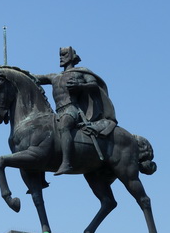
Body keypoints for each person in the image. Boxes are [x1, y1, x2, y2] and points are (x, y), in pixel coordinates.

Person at [35, 47, 117, 175]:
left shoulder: (81, 72)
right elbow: (35, 78)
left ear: (72, 56)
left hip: (72, 109)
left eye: (64, 55)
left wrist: (80, 86)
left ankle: (66, 163)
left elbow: (94, 85)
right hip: (58, 112)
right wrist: (12, 72)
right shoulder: (54, 77)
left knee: (64, 126)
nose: (61, 58)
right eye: (60, 55)